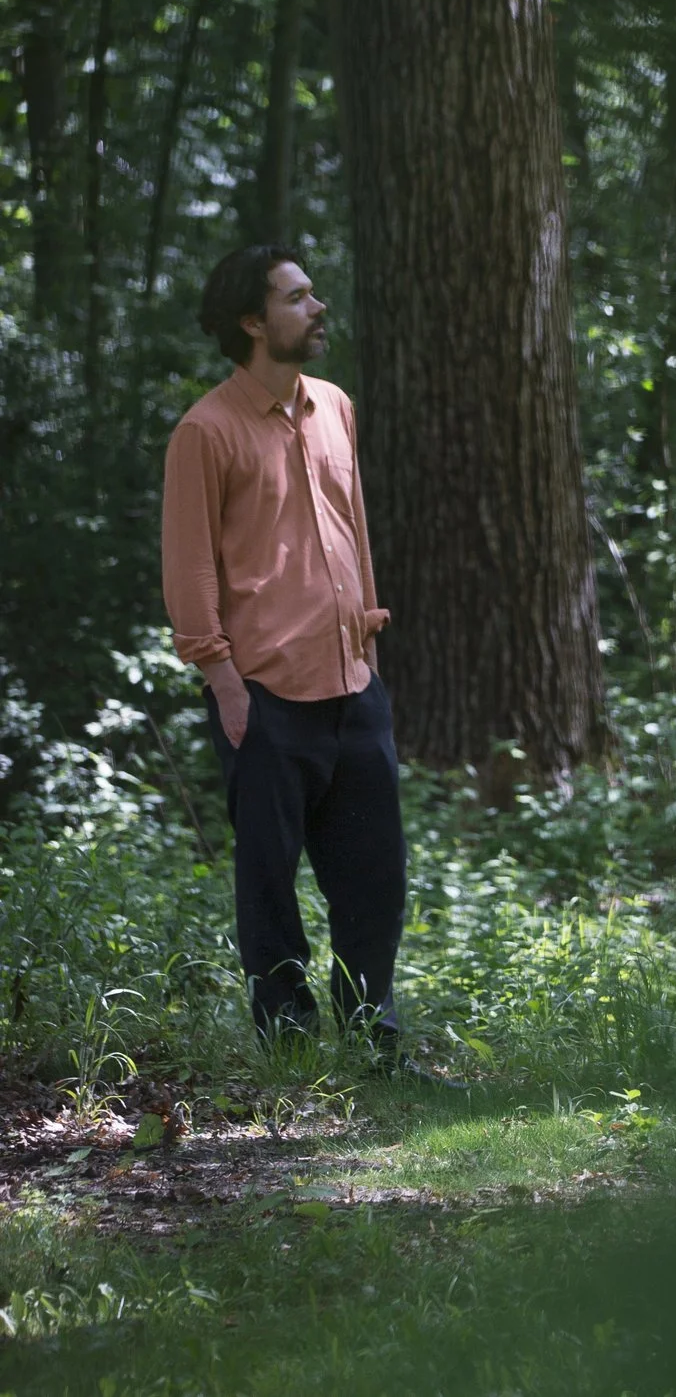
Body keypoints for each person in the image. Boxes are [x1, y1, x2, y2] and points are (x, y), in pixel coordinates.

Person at [161, 244, 411, 1066]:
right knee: (269, 887)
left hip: (353, 682)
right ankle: (291, 1052)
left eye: (313, 293)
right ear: (251, 320)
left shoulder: (334, 406)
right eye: (297, 296)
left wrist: (367, 640)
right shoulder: (205, 431)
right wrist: (222, 679)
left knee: (375, 880)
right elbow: (191, 567)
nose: (317, 306)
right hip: (264, 694)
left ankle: (374, 1045)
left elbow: (354, 528)